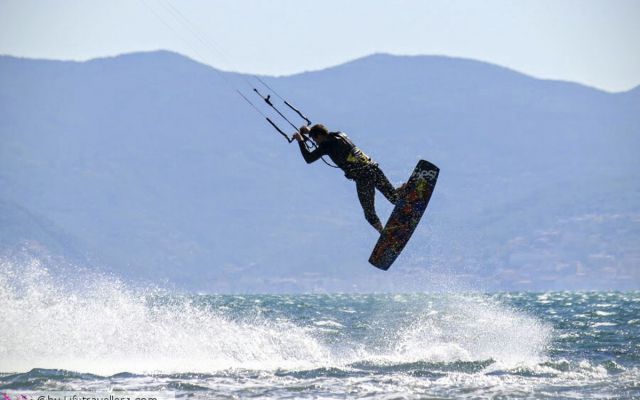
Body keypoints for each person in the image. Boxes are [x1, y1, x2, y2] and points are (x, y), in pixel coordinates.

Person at [293, 124, 402, 233]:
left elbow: (309, 158)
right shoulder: (341, 134)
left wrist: (300, 140)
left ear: (319, 136)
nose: (315, 142)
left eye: (314, 139)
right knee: (394, 198)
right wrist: (309, 131)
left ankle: (384, 234)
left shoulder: (327, 146)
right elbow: (322, 134)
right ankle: (405, 191)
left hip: (363, 178)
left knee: (369, 214)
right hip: (373, 168)